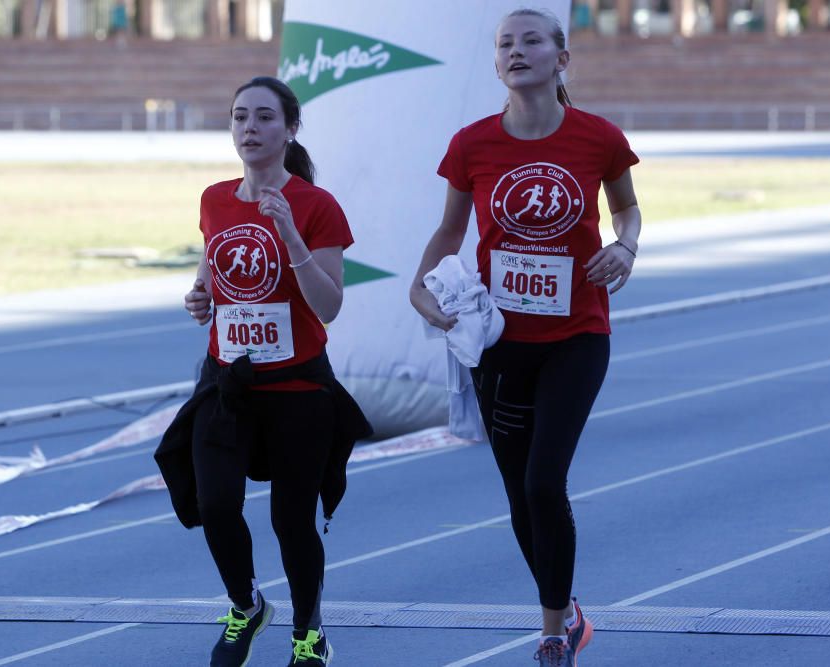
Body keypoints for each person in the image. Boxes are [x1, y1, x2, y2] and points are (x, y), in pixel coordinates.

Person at [409, 9, 641, 666]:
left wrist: (625, 246)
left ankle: (549, 635)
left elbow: (625, 208)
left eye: (531, 40)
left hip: (577, 335)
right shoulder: (472, 144)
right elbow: (449, 233)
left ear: (561, 59)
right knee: (519, 493)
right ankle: (564, 613)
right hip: (498, 343)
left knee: (544, 481)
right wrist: (420, 287)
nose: (516, 51)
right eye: (504, 43)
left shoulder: (599, 138)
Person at [154, 76, 371, 667]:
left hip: (298, 386)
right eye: (240, 117)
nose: (250, 128)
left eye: (264, 118)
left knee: (291, 520)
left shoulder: (317, 205)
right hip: (228, 381)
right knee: (216, 503)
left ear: (290, 129)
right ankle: (246, 605)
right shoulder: (215, 198)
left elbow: (328, 305)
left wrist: (290, 235)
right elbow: (211, 276)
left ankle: (309, 633)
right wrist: (200, 298)